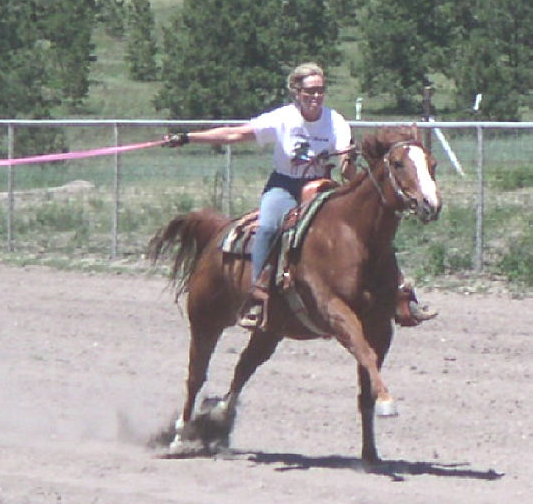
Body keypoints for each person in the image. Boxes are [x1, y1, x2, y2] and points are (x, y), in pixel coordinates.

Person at [164, 62, 436, 330]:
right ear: (296, 92)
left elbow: (343, 156)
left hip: (323, 185)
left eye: (320, 90)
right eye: (310, 91)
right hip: (285, 185)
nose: (316, 97)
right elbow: (235, 133)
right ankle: (257, 294)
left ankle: (400, 293)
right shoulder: (282, 119)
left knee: (368, 231)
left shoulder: (335, 121)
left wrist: (347, 164)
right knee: (270, 226)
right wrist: (189, 137)